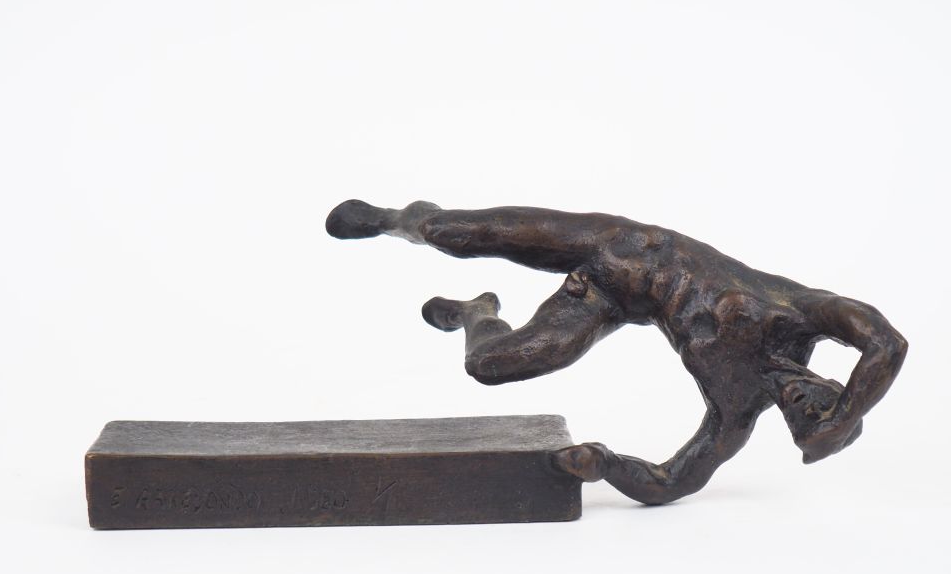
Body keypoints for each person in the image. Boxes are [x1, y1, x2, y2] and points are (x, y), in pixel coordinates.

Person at [326, 199, 908, 505]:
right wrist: (847, 418)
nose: (806, 405)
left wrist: (605, 465)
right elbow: (887, 341)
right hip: (621, 242)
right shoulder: (799, 314)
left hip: (605, 298)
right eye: (826, 404)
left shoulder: (736, 407)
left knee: (489, 365)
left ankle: (475, 312)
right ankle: (396, 218)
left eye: (806, 421)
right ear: (840, 386)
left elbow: (673, 481)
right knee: (454, 233)